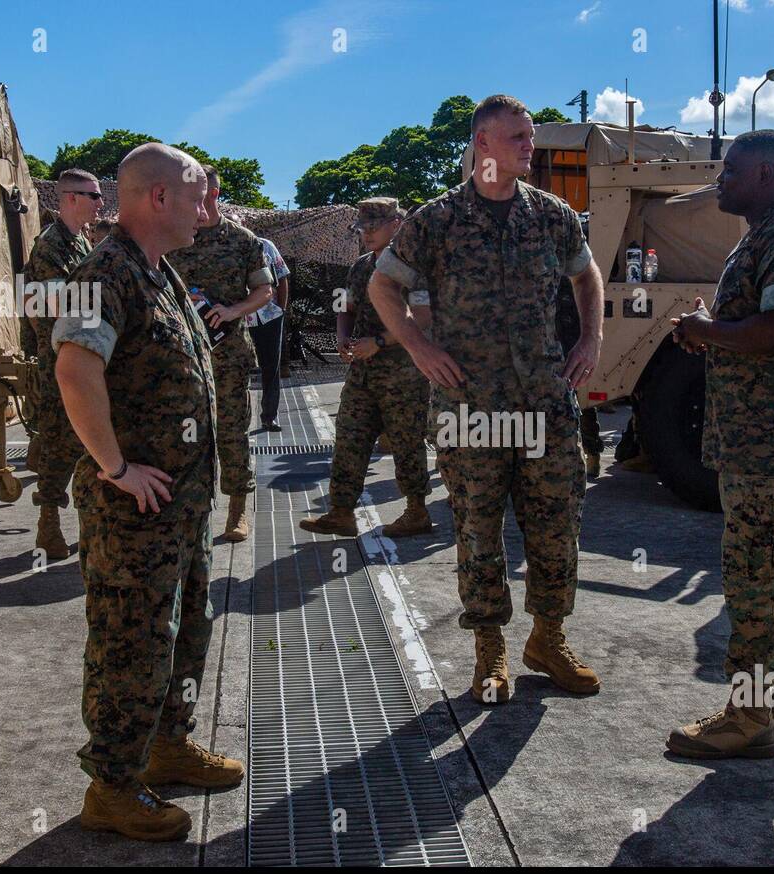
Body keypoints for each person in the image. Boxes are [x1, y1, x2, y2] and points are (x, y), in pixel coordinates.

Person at [370, 94, 605, 704]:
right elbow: (382, 286)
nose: (530, 145)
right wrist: (419, 348)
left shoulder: (553, 215)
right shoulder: (437, 220)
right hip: (469, 407)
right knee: (478, 530)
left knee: (557, 526)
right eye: (518, 137)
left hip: (544, 404)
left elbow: (587, 274)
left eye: (529, 136)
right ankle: (489, 652)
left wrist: (590, 339)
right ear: (482, 144)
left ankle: (547, 639)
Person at [53, 143, 242, 842]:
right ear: (158, 198)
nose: (208, 210)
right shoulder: (106, 273)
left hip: (180, 509)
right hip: (132, 512)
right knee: (131, 644)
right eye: (199, 196)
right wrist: (115, 465)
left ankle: (166, 747)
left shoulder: (158, 273)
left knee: (186, 630)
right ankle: (111, 785)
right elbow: (76, 370)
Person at [666, 130, 774, 758]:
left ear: (768, 173)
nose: (720, 182)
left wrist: (707, 331)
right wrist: (710, 333)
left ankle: (747, 716)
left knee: (758, 580)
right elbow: (758, 326)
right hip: (767, 440)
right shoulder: (764, 236)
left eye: (730, 172)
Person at [299, 198, 435, 538]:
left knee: (407, 443)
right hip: (362, 372)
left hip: (404, 373)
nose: (366, 235)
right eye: (362, 229)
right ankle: (341, 512)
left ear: (396, 224)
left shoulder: (414, 265)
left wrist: (379, 341)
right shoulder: (360, 266)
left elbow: (423, 318)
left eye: (373, 228)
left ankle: (417, 511)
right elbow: (343, 305)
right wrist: (343, 337)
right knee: (349, 438)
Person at [168, 167, 273, 543]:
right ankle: (188, 509)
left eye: (204, 192)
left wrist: (232, 310)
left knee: (232, 433)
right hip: (184, 356)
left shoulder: (243, 240)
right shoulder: (177, 237)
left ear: (216, 192)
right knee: (185, 434)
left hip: (228, 354)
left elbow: (265, 292)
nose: (198, 201)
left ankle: (237, 511)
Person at [24, 168, 101, 559]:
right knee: (59, 441)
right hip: (58, 361)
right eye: (93, 195)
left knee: (85, 439)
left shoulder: (80, 242)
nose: (100, 203)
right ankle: (48, 523)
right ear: (70, 197)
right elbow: (56, 304)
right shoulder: (50, 246)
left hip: (80, 356)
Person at [554, 272, 604, 478]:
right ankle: (592, 455)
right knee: (581, 399)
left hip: (568, 336)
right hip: (564, 335)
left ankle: (591, 454)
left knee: (580, 398)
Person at [248, 235, 291, 431]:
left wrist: (281, 310)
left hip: (269, 315)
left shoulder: (266, 246)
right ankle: (239, 418)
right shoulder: (222, 246)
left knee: (271, 368)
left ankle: (269, 416)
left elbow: (282, 277)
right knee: (238, 368)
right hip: (239, 317)